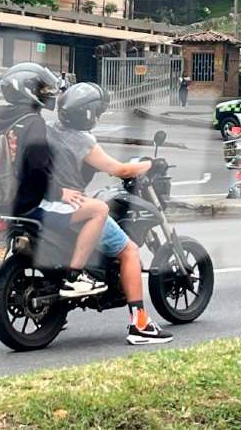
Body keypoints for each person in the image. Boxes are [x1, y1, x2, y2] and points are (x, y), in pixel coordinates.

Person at [47, 82, 174, 345]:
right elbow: (120, 170)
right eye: (98, 112)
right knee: (129, 251)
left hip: (45, 203)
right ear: (87, 114)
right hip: (71, 205)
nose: (99, 116)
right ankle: (139, 324)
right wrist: (151, 164)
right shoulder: (81, 140)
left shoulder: (50, 130)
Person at [0, 62, 110, 298]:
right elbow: (38, 168)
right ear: (26, 90)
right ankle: (75, 276)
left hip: (2, 202)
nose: (46, 94)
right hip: (30, 203)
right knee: (99, 210)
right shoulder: (34, 123)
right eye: (41, 89)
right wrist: (60, 193)